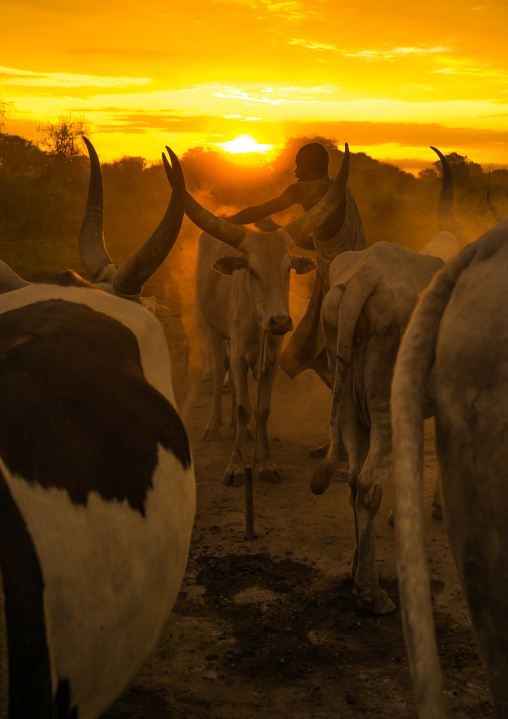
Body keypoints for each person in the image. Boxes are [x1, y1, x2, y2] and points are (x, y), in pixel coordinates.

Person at [226, 142, 366, 388]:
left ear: (311, 167)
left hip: (338, 276)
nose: (295, 172)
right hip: (360, 268)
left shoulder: (306, 189)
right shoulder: (344, 191)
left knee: (325, 341)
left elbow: (260, 210)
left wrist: (227, 221)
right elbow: (322, 244)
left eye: (299, 166)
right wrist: (277, 229)